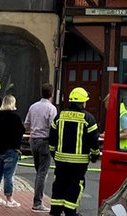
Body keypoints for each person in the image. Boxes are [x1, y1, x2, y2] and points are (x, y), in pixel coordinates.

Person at [49, 87, 101, 216]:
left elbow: (52, 137)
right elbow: (93, 140)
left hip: (60, 159)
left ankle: (55, 210)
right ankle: (70, 211)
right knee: (75, 185)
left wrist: (53, 153)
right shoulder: (88, 118)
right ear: (83, 102)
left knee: (59, 183)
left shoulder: (60, 116)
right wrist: (95, 154)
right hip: (79, 162)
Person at [25, 82, 58, 212]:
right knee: (42, 173)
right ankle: (37, 202)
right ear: (52, 94)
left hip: (33, 141)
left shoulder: (33, 107)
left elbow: (27, 124)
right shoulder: (52, 109)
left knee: (38, 171)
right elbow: (53, 127)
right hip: (45, 141)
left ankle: (37, 200)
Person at [0, 94, 26, 207]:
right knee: (9, 175)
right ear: (12, 103)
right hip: (11, 149)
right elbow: (22, 131)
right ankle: (9, 199)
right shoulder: (15, 118)